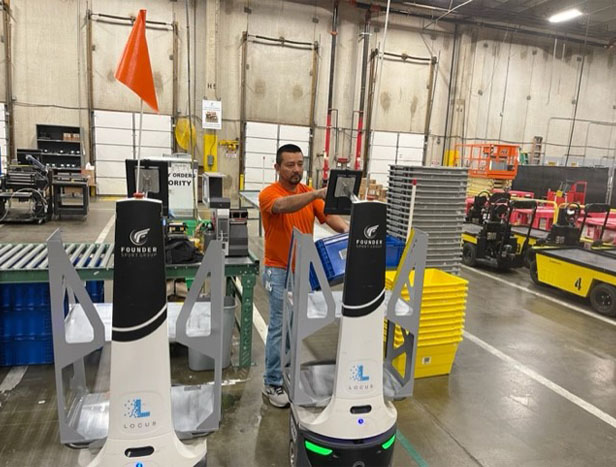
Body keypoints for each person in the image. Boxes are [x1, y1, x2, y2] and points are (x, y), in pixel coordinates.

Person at [259, 144, 348, 407]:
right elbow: (283, 207)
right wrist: (314, 195)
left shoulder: (309, 193)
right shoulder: (269, 194)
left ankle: (285, 369)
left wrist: (350, 232)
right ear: (277, 167)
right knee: (279, 326)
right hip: (279, 270)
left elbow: (330, 218)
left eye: (299, 164)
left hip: (304, 269)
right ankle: (271, 382)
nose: (296, 169)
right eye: (290, 165)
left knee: (294, 325)